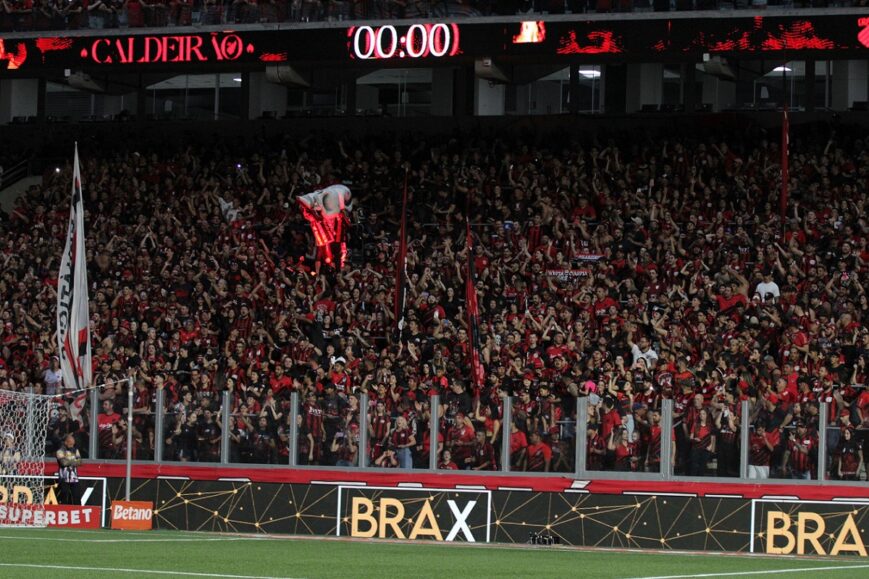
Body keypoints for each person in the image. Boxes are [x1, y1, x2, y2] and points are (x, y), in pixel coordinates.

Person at [56, 433, 81, 505]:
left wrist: (68, 460)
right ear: (65, 442)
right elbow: (63, 463)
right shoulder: (60, 451)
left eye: (73, 444)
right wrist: (73, 460)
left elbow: (79, 462)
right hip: (64, 478)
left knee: (76, 498)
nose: (71, 446)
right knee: (64, 498)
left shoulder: (75, 450)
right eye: (70, 444)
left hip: (74, 478)